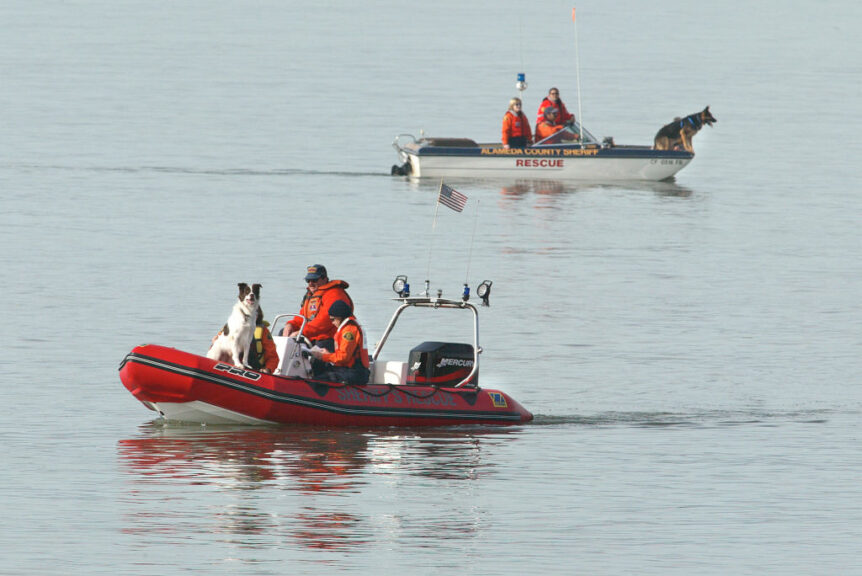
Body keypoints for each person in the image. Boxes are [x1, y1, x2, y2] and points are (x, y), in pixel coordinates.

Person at [282, 264, 353, 352]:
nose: (310, 283)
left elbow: (325, 321)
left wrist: (302, 332)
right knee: (284, 333)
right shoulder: (311, 295)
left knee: (320, 344)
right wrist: (291, 325)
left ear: (325, 279)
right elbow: (302, 317)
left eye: (314, 280)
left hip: (329, 338)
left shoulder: (335, 294)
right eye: (308, 280)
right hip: (312, 335)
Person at [309, 300, 370, 385]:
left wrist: (323, 356)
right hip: (348, 369)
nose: (332, 323)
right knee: (318, 367)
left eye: (332, 319)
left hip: (355, 372)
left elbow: (344, 357)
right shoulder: (348, 327)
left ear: (340, 318)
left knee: (318, 380)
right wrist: (328, 354)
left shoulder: (349, 331)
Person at [209, 309, 278, 373]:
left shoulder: (263, 331)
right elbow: (215, 347)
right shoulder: (229, 326)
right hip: (227, 365)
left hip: (253, 369)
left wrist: (268, 369)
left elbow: (272, 356)